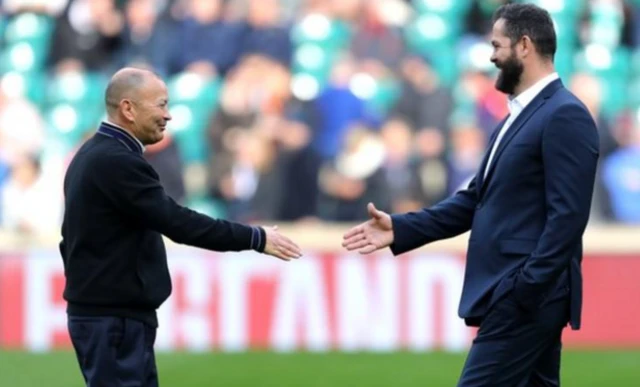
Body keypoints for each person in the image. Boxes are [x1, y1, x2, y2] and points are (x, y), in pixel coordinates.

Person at [342, 4, 599, 386]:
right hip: (519, 292)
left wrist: (527, 286)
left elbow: (569, 216)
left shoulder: (564, 114)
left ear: (524, 45)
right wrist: (401, 227)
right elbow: (474, 200)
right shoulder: (516, 118)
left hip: (524, 295)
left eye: (497, 45)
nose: (491, 55)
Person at [59, 67, 302, 386]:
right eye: (160, 105)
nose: (168, 115)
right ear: (128, 109)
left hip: (109, 316)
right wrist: (255, 237)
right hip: (114, 318)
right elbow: (177, 221)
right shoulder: (116, 161)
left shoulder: (95, 154)